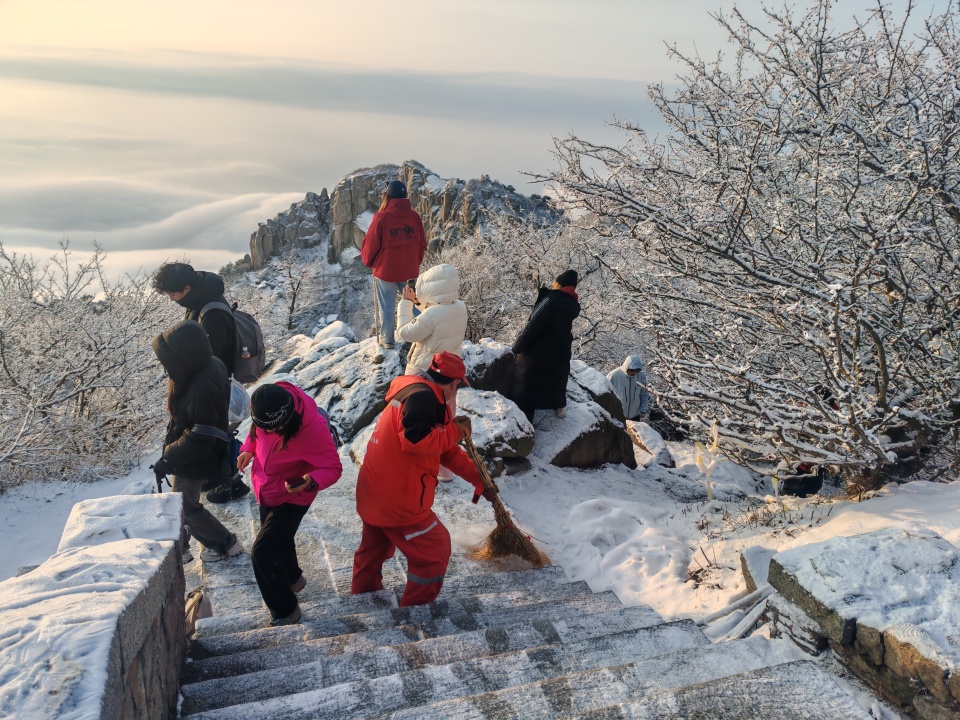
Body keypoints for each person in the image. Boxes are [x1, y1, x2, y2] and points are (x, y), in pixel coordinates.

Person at [351, 351, 498, 607]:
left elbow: (442, 448)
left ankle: (362, 600)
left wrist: (478, 478)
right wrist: (454, 430)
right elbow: (416, 442)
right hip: (399, 501)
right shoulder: (423, 400)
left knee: (373, 551)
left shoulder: (417, 392)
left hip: (374, 491)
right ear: (455, 383)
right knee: (434, 551)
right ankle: (415, 612)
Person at [237, 383, 343, 626]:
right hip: (267, 488)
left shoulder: (311, 430)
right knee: (279, 538)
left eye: (275, 428)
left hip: (294, 496)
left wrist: (310, 481)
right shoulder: (266, 406)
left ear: (286, 420)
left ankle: (286, 610)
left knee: (262, 554)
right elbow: (256, 432)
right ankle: (293, 577)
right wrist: (248, 450)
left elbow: (333, 468)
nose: (268, 430)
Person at [152, 261, 250, 504]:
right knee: (211, 432)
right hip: (212, 379)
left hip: (215, 382)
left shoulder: (212, 311)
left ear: (186, 287)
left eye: (172, 293)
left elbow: (207, 354)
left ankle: (231, 483)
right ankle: (218, 478)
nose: (172, 299)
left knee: (213, 433)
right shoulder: (200, 300)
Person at [151, 320, 244, 564]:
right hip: (199, 453)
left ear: (184, 355)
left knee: (185, 507)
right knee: (181, 503)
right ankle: (183, 546)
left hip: (196, 457)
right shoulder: (209, 365)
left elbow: (200, 435)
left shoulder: (200, 384)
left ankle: (225, 544)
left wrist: (169, 457)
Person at [397, 263, 469, 482]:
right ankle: (446, 470)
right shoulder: (459, 306)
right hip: (450, 375)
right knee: (445, 421)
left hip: (426, 372)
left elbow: (406, 332)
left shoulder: (432, 315)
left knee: (421, 425)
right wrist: (423, 304)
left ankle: (421, 468)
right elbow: (436, 317)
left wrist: (406, 304)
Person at [360, 180, 427, 349]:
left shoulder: (381, 217)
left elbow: (370, 245)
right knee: (415, 303)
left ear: (387, 196)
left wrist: (370, 263)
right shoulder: (415, 217)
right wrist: (414, 263)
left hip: (387, 271)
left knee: (387, 307)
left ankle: (387, 340)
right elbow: (422, 244)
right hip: (409, 270)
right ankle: (420, 336)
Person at [510, 269, 581, 421]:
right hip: (557, 357)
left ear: (559, 284)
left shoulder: (551, 299)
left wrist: (516, 348)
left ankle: (526, 436)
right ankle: (557, 406)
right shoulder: (571, 305)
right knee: (546, 386)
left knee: (526, 397)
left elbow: (532, 326)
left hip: (536, 357)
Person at [607, 355, 651, 421]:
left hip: (635, 415)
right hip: (618, 414)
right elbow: (607, 395)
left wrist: (643, 410)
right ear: (626, 368)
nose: (634, 373)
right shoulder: (613, 376)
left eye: (637, 371)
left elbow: (644, 394)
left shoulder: (641, 376)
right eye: (631, 371)